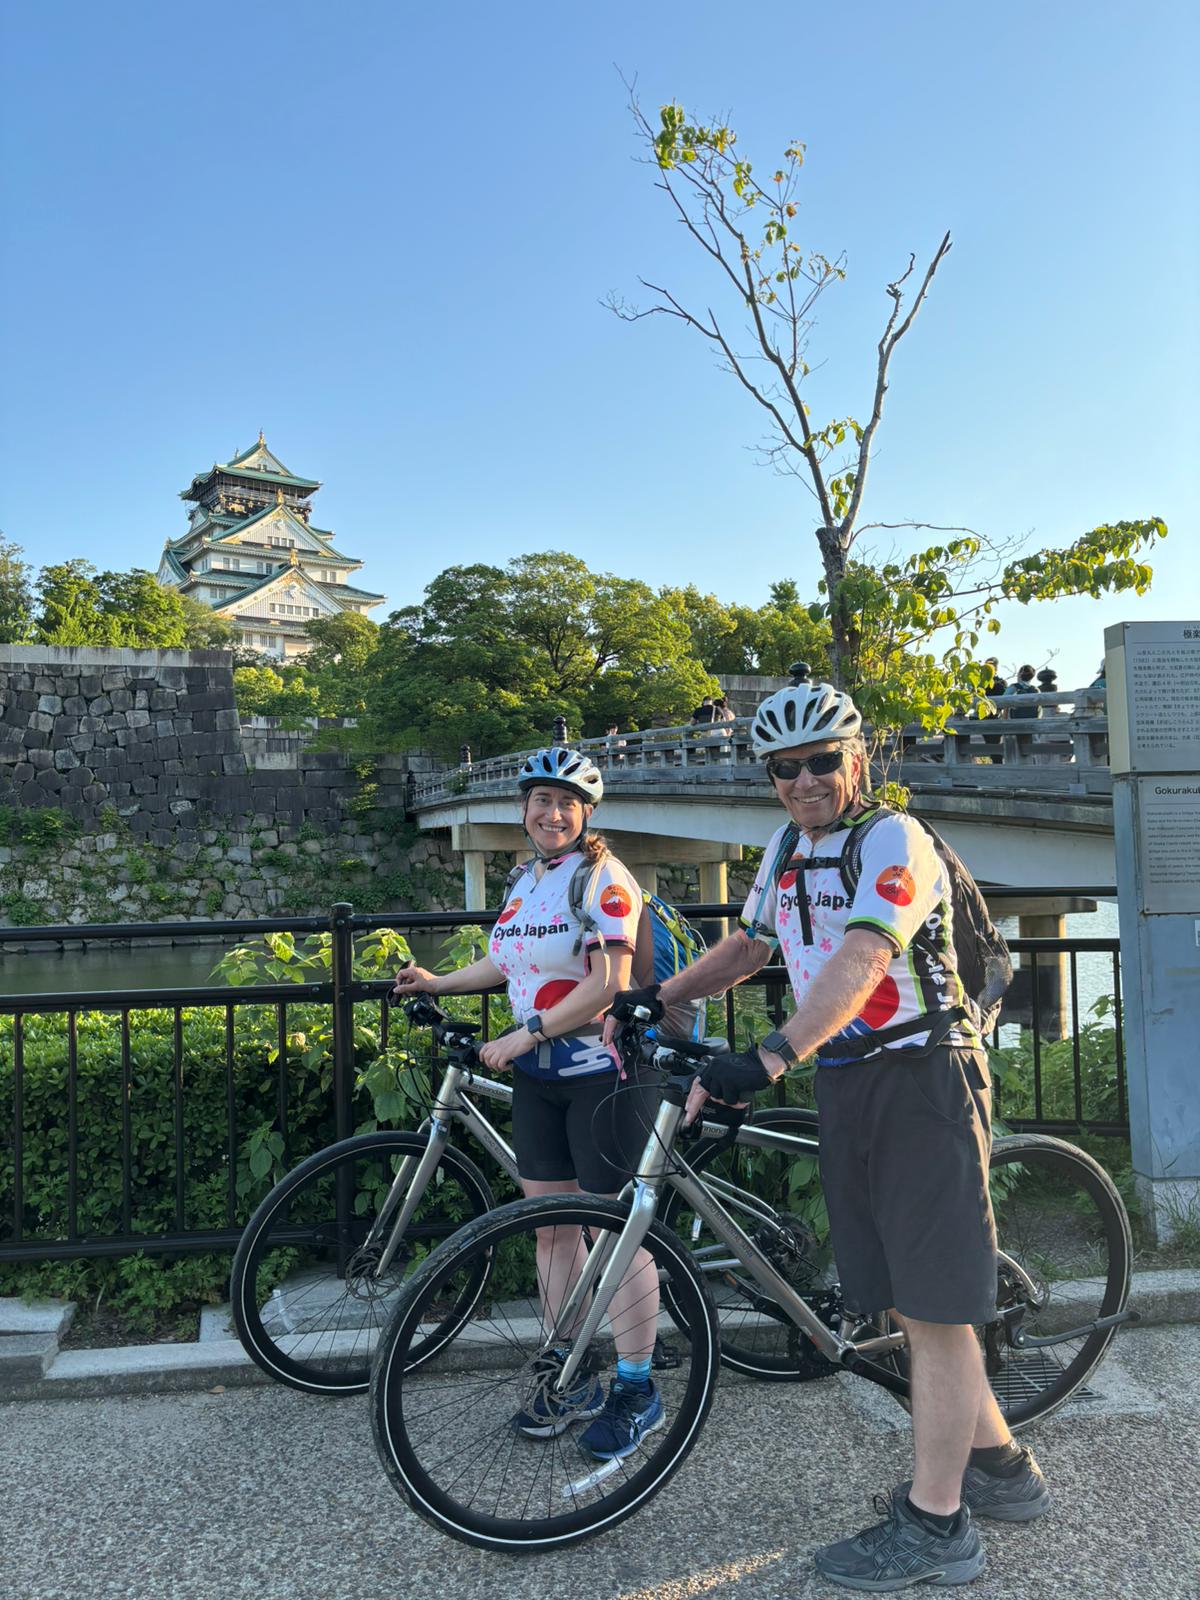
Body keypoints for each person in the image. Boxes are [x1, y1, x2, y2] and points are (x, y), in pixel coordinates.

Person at [605, 681, 1048, 1592]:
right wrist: (662, 993)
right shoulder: (785, 846)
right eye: (783, 768)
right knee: (897, 1294)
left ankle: (939, 1526)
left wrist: (770, 1054)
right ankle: (1002, 1470)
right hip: (846, 1073)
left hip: (922, 1072)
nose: (802, 781)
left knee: (932, 1307)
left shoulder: (894, 838)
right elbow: (749, 948)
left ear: (856, 761)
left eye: (818, 763)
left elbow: (865, 953)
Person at [390, 746, 663, 1461]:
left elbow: (608, 982)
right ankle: (567, 1370)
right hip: (540, 1080)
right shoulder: (527, 882)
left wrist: (527, 1033)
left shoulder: (603, 879)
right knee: (551, 1230)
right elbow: (506, 963)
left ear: (586, 814)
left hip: (602, 1073)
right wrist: (440, 982)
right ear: (524, 809)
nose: (552, 813)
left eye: (566, 802)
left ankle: (638, 1387)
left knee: (614, 1233)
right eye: (541, 800)